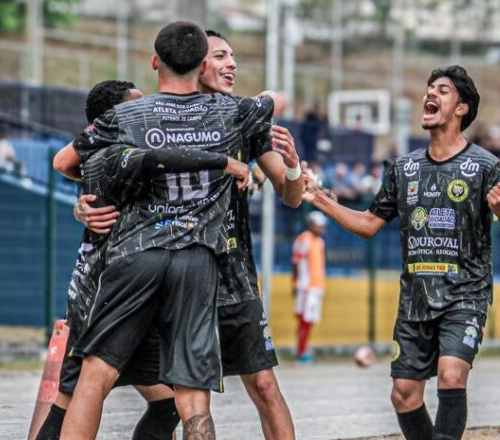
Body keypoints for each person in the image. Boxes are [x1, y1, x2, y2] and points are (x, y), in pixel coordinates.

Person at [69, 29, 300, 439]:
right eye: (220, 55)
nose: (230, 63)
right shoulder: (232, 115)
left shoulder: (134, 115)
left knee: (96, 375)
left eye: (233, 56)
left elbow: (69, 160)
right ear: (199, 64)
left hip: (186, 260)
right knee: (185, 393)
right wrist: (84, 203)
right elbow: (275, 99)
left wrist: (291, 172)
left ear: (159, 62)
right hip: (190, 260)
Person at [303, 65, 500, 440]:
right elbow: (369, 224)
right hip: (414, 302)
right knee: (404, 395)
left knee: (452, 374)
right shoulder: (404, 168)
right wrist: (319, 199)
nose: (431, 94)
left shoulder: (485, 166)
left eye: (442, 89)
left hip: (464, 297)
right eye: (429, 88)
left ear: (461, 108)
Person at [36, 79, 246, 440]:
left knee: (164, 403)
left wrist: (81, 202)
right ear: (113, 117)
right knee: (69, 398)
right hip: (101, 296)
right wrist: (227, 162)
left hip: (138, 294)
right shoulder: (116, 156)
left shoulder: (111, 156)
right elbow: (159, 159)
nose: (144, 110)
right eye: (134, 105)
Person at [292, 211, 328, 362]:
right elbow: (296, 262)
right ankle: (301, 352)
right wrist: (296, 283)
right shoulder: (303, 239)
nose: (321, 229)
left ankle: (303, 350)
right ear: (311, 225)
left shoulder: (320, 242)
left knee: (309, 321)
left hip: (317, 286)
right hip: (306, 286)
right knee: (304, 320)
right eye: (319, 226)